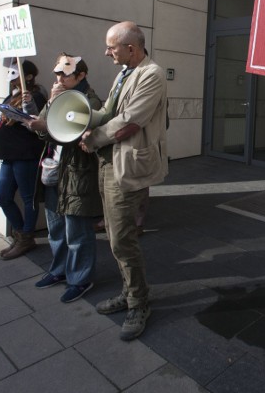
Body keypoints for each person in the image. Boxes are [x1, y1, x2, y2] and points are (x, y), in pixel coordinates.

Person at [80, 21, 169, 341]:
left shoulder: (152, 74)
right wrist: (78, 119)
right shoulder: (123, 74)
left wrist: (93, 140)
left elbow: (130, 122)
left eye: (111, 47)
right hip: (109, 162)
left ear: (131, 48)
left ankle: (138, 303)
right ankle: (129, 293)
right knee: (116, 235)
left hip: (127, 167)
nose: (106, 52)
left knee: (121, 239)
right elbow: (108, 112)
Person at [25, 54, 103, 303]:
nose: (60, 78)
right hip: (54, 170)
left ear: (81, 76)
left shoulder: (88, 100)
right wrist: (46, 111)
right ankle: (59, 270)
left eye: (66, 74)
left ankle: (80, 278)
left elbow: (68, 131)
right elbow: (45, 128)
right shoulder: (56, 96)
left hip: (76, 173)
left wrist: (45, 125)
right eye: (57, 73)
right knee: (56, 227)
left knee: (76, 230)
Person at [0, 59, 47, 260]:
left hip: (25, 154)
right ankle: (20, 233)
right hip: (9, 154)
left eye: (15, 71)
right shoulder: (12, 95)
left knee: (28, 197)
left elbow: (35, 121)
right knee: (2, 196)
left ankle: (26, 237)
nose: (10, 74)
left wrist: (28, 105)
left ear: (28, 76)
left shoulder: (35, 96)